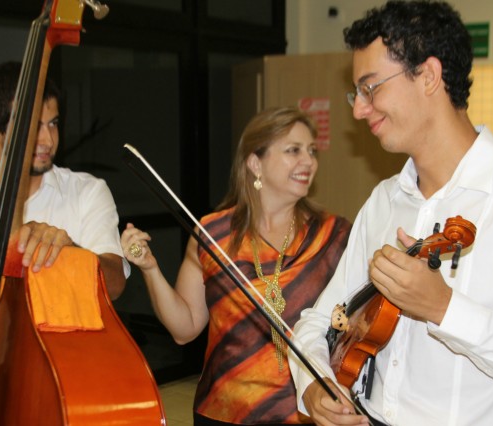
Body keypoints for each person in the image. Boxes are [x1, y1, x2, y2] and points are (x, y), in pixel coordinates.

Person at [289, 1, 493, 425]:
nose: (359, 110)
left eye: (371, 88)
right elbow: (320, 320)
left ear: (429, 76)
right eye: (356, 93)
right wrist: (313, 384)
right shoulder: (383, 201)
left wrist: (445, 309)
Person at [121, 106, 352, 425]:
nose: (308, 161)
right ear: (255, 163)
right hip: (222, 411)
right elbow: (184, 329)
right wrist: (150, 269)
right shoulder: (212, 233)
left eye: (311, 151)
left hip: (303, 414)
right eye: (293, 150)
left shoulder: (335, 234)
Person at [0, 61, 128, 392]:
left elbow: (115, 284)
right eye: (34, 126)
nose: (48, 138)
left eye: (53, 123)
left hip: (53, 392)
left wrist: (73, 253)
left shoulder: (87, 192)